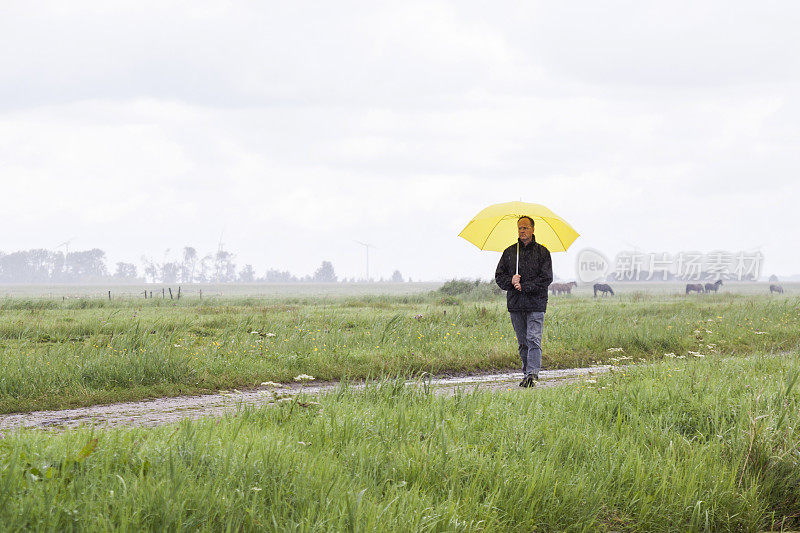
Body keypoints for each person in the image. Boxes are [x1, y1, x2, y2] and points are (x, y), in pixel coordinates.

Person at [495, 216, 553, 387]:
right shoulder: (509, 253)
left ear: (533, 229)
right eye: (520, 228)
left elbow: (546, 278)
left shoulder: (543, 253)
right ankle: (526, 373)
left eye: (526, 228)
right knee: (522, 342)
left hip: (536, 304)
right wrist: (511, 281)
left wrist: (525, 286)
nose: (522, 231)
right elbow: (499, 277)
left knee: (533, 338)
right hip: (516, 304)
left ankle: (532, 374)